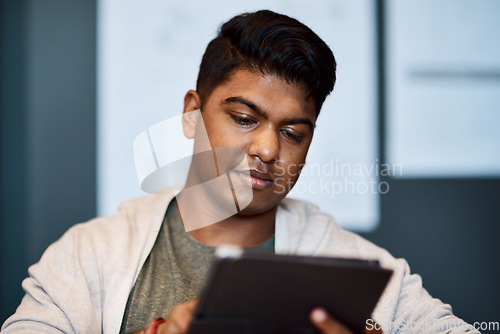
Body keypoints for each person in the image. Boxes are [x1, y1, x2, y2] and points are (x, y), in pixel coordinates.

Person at [2, 10, 478, 334]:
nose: (268, 148)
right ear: (192, 113)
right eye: (245, 119)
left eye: (293, 132)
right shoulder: (88, 257)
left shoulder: (363, 271)